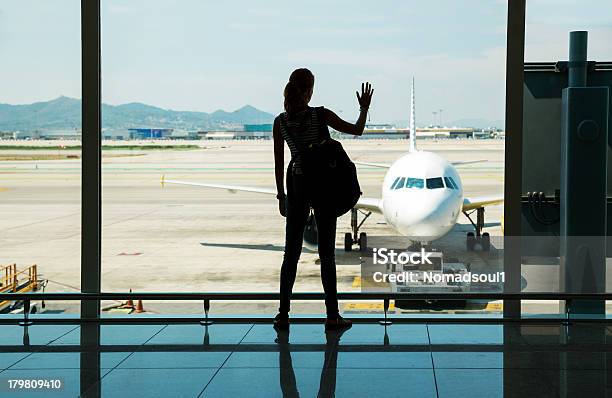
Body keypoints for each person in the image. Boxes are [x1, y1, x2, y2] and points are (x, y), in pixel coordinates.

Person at [272, 68, 373, 330]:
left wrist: (282, 196)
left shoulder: (280, 122)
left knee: (290, 254)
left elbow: (279, 162)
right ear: (309, 91)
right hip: (324, 187)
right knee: (326, 255)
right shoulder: (320, 115)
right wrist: (363, 108)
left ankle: (283, 315)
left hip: (297, 185)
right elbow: (357, 130)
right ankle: (332, 316)